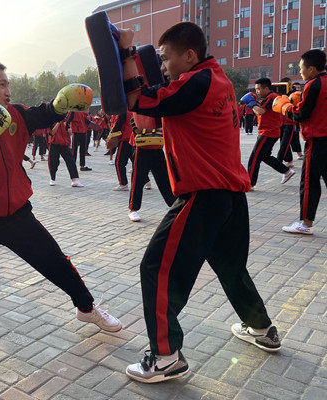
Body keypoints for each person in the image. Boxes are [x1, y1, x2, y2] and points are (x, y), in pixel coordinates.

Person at [0, 58, 121, 379]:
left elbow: (43, 113)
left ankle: (87, 309)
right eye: (2, 84)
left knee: (56, 263)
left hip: (18, 214)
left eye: (8, 84)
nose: (8, 90)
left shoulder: (15, 114)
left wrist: (62, 104)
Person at [115, 22, 280, 383]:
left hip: (205, 195)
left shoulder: (196, 82)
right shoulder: (216, 79)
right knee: (230, 267)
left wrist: (127, 53)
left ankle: (165, 356)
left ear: (189, 55)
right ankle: (262, 328)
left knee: (155, 270)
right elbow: (159, 93)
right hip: (231, 196)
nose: (163, 65)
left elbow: (139, 100)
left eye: (166, 58)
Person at [278, 50, 327, 235]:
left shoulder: (313, 85)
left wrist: (285, 108)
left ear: (312, 69)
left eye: (301, 68)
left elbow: (301, 115)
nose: (300, 72)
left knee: (309, 183)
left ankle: (305, 224)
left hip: (317, 140)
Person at [245, 78, 295, 189]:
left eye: (258, 89)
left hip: (268, 132)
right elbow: (261, 111)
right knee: (265, 156)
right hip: (269, 131)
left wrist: (251, 104)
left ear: (266, 88)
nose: (257, 91)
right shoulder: (269, 97)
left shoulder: (271, 97)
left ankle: (250, 183)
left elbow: (260, 112)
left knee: (254, 157)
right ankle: (286, 171)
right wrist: (253, 104)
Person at [128, 113, 175, 222]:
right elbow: (136, 128)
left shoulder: (159, 110)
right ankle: (133, 209)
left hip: (157, 147)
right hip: (141, 147)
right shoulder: (139, 110)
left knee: (164, 178)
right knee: (138, 179)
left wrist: (155, 129)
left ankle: (173, 204)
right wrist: (153, 130)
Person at [48, 119, 83, 187]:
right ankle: (52, 179)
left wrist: (69, 131)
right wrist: (58, 123)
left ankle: (74, 180)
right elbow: (52, 132)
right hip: (54, 144)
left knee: (71, 161)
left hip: (64, 144)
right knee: (53, 162)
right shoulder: (51, 121)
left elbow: (69, 133)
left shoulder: (66, 121)